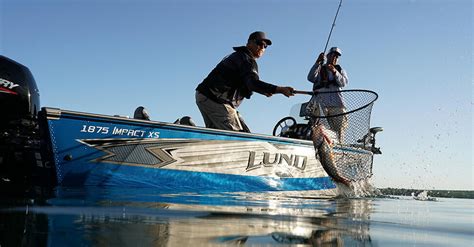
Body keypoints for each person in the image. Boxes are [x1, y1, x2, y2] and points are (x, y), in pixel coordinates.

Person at [196, 31, 295, 132]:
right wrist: (280, 89)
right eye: (259, 43)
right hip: (215, 99)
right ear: (249, 43)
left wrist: (263, 90)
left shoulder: (239, 56)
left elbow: (244, 82)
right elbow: (253, 83)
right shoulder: (246, 59)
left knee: (216, 134)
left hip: (204, 95)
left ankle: (186, 126)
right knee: (236, 136)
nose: (262, 47)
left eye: (265, 46)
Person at [306, 47, 349, 142]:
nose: (335, 58)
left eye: (337, 56)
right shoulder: (320, 68)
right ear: (328, 56)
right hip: (321, 105)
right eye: (333, 55)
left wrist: (334, 71)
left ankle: (339, 151)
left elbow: (344, 83)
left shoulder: (340, 70)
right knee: (319, 131)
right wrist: (317, 62)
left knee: (339, 133)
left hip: (338, 106)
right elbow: (310, 77)